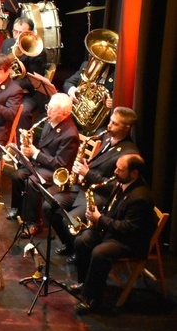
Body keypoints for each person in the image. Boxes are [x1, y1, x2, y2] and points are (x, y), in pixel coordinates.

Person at [49, 107, 139, 259]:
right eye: (110, 121)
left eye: (115, 123)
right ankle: (69, 244)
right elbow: (98, 165)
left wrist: (87, 173)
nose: (109, 125)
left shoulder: (129, 154)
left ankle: (79, 253)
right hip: (83, 188)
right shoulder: (106, 137)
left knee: (68, 220)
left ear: (127, 128)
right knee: (50, 206)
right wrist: (85, 167)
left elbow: (116, 187)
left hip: (99, 197)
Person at [71, 154, 156, 314]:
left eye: (120, 169)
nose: (115, 172)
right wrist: (97, 216)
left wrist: (100, 219)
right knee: (82, 240)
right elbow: (113, 211)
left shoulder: (140, 197)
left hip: (131, 241)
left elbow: (128, 228)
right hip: (116, 232)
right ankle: (85, 283)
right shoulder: (122, 183)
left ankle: (92, 300)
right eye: (116, 167)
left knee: (100, 252)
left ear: (134, 173)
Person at [9, 93, 80, 237]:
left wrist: (35, 153)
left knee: (32, 183)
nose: (48, 112)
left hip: (56, 171)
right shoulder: (49, 120)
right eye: (48, 107)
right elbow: (42, 144)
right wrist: (27, 146)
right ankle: (18, 208)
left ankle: (35, 223)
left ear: (65, 114)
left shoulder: (70, 134)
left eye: (53, 110)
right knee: (17, 175)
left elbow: (60, 164)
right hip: (41, 163)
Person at [0, 17, 48, 131]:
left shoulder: (37, 51)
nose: (16, 36)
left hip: (28, 93)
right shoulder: (7, 43)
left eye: (20, 33)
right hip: (5, 87)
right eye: (15, 31)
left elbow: (32, 80)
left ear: (30, 34)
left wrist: (10, 85)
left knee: (23, 112)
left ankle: (20, 140)